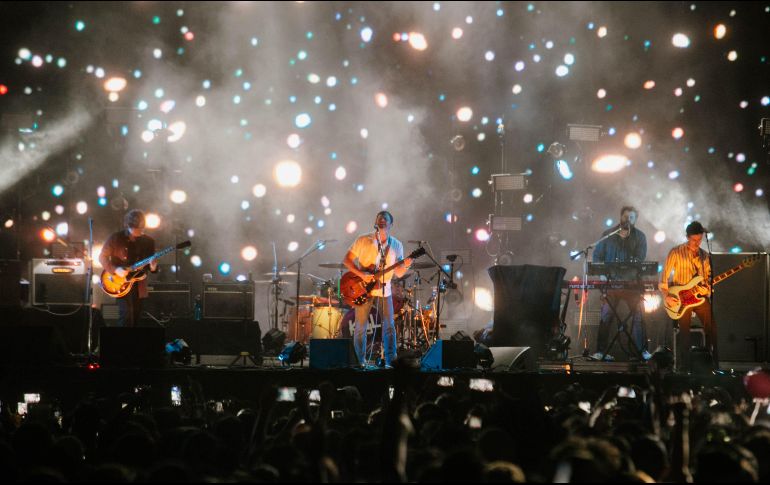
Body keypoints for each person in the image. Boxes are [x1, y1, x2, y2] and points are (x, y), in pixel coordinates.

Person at [342, 211, 413, 368]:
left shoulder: (396, 245)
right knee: (360, 327)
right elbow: (346, 260)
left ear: (390, 225)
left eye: (385, 220)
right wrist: (362, 274)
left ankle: (391, 361)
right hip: (363, 289)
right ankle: (358, 362)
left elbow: (399, 272)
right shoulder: (363, 240)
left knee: (389, 326)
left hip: (384, 289)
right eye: (379, 219)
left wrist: (407, 263)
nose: (382, 221)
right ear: (375, 222)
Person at [591, 206, 650, 361]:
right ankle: (600, 351)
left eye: (631, 217)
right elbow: (597, 256)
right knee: (606, 315)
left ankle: (641, 351)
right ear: (620, 217)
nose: (628, 220)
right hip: (611, 283)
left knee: (638, 316)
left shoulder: (640, 237)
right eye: (626, 217)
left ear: (635, 220)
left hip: (631, 284)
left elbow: (640, 259)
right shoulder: (608, 235)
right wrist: (602, 274)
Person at [659, 221, 717, 372]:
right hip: (681, 298)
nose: (697, 243)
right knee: (684, 333)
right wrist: (666, 296)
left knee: (712, 327)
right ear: (687, 237)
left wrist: (708, 290)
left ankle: (711, 362)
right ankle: (684, 367)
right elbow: (663, 279)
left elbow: (708, 279)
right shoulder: (676, 252)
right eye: (694, 240)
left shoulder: (705, 256)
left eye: (700, 239)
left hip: (699, 298)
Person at [99, 209, 157, 327]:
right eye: (137, 229)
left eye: (142, 228)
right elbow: (102, 257)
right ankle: (123, 344)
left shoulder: (149, 241)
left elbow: (151, 268)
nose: (140, 231)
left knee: (136, 318)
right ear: (128, 226)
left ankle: (134, 344)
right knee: (125, 316)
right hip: (120, 284)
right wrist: (115, 269)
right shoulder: (116, 238)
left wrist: (153, 266)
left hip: (139, 285)